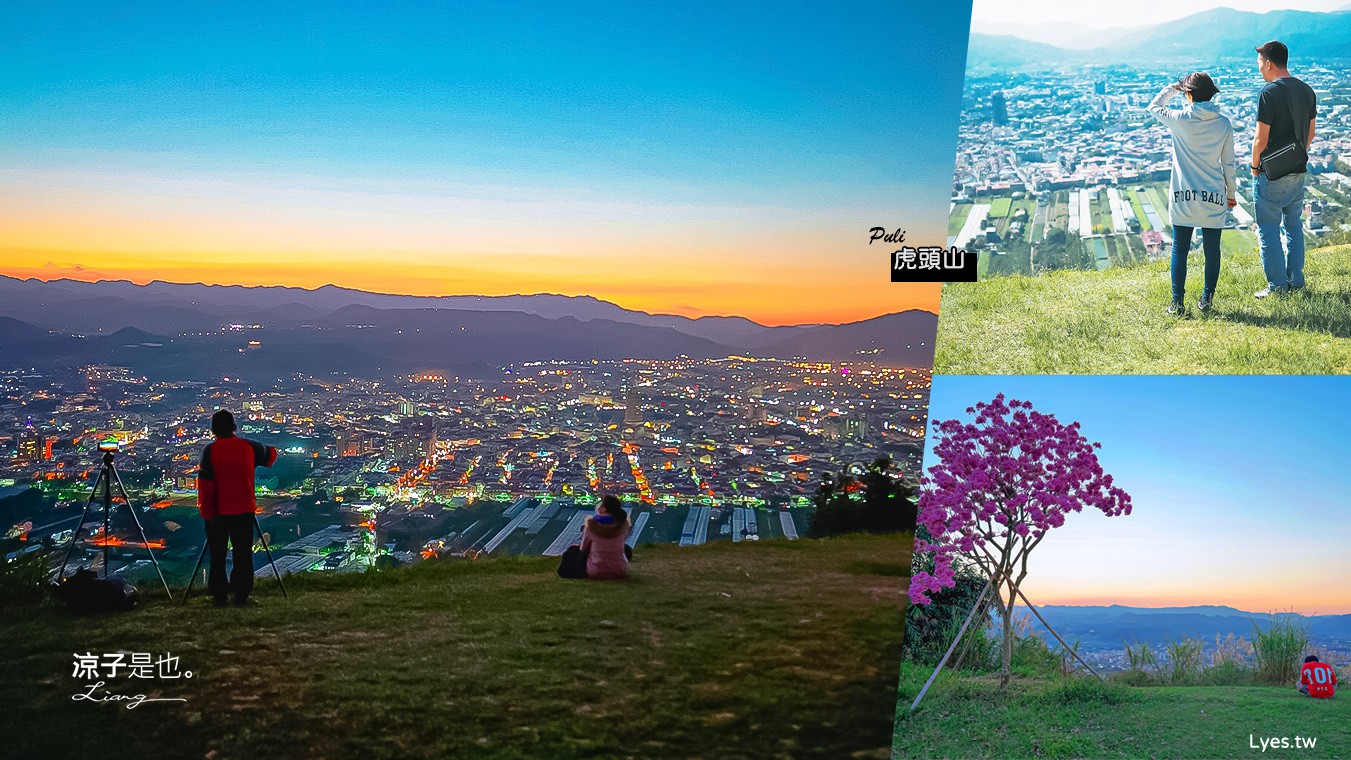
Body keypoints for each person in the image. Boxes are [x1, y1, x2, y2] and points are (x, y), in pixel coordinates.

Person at [1147, 72, 1236, 316]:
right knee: (1212, 250)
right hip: (1214, 195)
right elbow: (1229, 163)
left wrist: (1173, 88)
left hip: (1183, 195)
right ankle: (1206, 299)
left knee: (1180, 248)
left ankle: (1177, 303)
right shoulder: (1223, 123)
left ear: (1189, 94)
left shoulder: (1179, 119)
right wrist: (1232, 193)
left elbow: (1154, 106)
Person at [1251, 40, 1317, 298]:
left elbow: (1260, 139)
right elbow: (1310, 134)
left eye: (1259, 62)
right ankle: (1296, 281)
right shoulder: (1307, 90)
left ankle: (1277, 287)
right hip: (1298, 168)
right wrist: (1295, 155)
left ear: (1268, 63)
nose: (1258, 67)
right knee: (1294, 225)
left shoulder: (1269, 92)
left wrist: (1255, 166)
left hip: (1272, 173)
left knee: (1268, 228)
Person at [197, 409, 277, 606]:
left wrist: (207, 513)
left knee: (218, 555)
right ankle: (241, 594)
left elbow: (205, 486)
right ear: (234, 427)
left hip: (218, 513)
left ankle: (219, 595)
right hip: (244, 510)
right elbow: (271, 456)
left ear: (214, 429)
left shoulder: (210, 451)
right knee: (243, 555)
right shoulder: (248, 447)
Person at [557, 495, 631, 580]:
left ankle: (567, 573)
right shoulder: (622, 525)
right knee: (626, 549)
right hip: (619, 571)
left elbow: (583, 548)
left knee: (572, 550)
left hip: (595, 571)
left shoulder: (592, 525)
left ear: (604, 509)